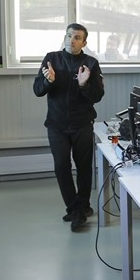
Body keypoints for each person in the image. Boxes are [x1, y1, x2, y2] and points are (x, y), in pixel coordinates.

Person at [34, 22, 105, 231]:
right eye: (69, 36)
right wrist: (49, 81)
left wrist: (84, 84)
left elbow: (97, 96)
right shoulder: (51, 59)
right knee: (61, 166)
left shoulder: (90, 63)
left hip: (82, 123)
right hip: (56, 125)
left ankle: (81, 207)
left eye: (76, 37)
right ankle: (75, 208)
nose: (71, 40)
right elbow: (37, 90)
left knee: (84, 167)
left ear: (84, 42)